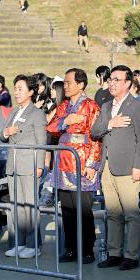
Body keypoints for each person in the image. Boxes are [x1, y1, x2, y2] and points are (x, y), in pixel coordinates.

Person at [90, 65, 140, 270]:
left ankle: (131, 255)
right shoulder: (106, 107)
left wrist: (138, 166)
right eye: (110, 80)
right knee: (112, 212)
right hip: (107, 166)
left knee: (131, 213)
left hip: (127, 167)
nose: (112, 83)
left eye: (116, 80)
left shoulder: (137, 105)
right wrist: (110, 123)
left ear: (128, 83)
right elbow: (95, 131)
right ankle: (114, 252)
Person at [47, 68, 102, 264]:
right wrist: (65, 121)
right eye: (66, 82)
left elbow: (96, 137)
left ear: (81, 84)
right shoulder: (63, 107)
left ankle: (87, 249)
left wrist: (92, 164)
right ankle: (71, 248)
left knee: (83, 210)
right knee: (68, 209)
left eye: (70, 82)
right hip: (63, 162)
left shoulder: (91, 106)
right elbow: (51, 127)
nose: (67, 86)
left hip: (81, 161)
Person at [0, 75, 47, 259]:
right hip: (13, 164)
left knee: (30, 206)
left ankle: (33, 244)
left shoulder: (37, 114)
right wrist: (6, 132)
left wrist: (40, 165)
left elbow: (41, 141)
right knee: (17, 206)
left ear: (31, 92)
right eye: (15, 88)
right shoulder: (13, 112)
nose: (16, 92)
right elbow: (2, 135)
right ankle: (19, 243)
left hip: (29, 164)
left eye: (20, 88)